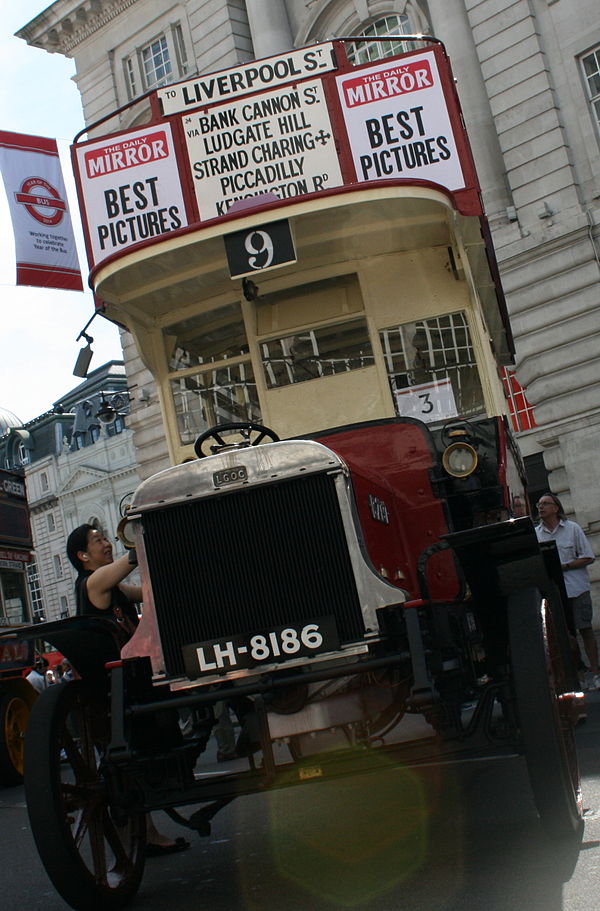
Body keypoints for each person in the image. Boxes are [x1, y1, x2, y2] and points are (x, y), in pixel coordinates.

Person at [66, 523, 190, 857]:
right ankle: (140, 834)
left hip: (132, 679)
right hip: (120, 688)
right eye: (99, 541)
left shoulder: (113, 587)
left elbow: (147, 590)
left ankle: (146, 833)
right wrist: (146, 532)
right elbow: (133, 560)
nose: (106, 544)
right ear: (82, 556)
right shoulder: (93, 582)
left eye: (106, 538)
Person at [535, 493, 599, 690]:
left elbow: (588, 557)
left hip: (577, 589)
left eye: (545, 504)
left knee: (585, 630)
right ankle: (577, 675)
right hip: (555, 594)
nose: (540, 507)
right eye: (539, 504)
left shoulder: (573, 529)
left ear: (556, 508)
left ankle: (596, 673)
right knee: (564, 636)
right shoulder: (536, 534)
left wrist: (566, 566)